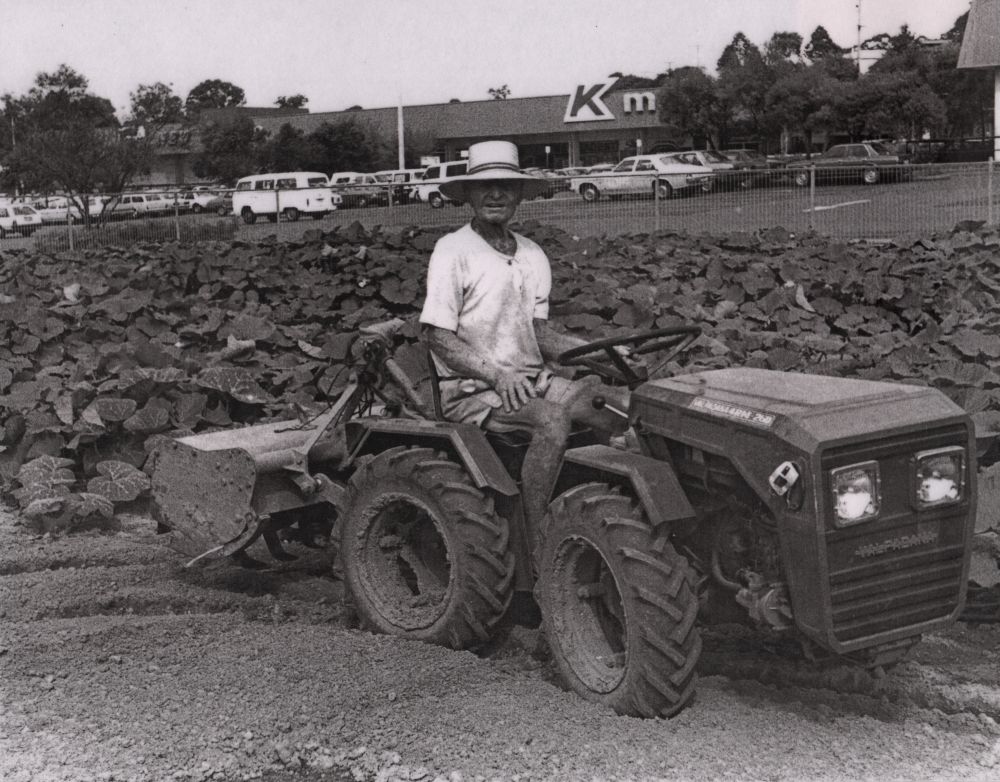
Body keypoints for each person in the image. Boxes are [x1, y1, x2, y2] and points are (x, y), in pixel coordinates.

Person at [419, 140, 632, 536]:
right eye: (485, 185)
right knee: (551, 420)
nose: (495, 193)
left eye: (505, 185)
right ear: (468, 193)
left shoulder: (532, 254)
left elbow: (541, 335)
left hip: (534, 381)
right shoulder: (452, 251)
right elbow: (438, 337)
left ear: (519, 194)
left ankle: (614, 512)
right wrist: (497, 375)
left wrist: (608, 353)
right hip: (473, 390)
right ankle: (539, 536)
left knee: (623, 405)